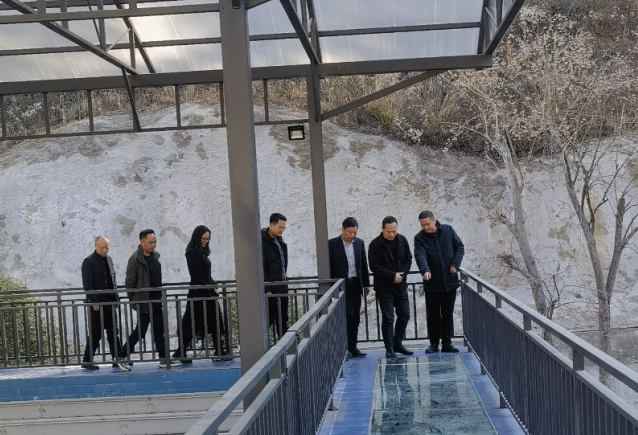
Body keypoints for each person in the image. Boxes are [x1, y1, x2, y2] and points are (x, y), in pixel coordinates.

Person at [119, 229, 180, 368]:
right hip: (145, 301)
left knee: (159, 330)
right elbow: (129, 282)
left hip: (156, 299)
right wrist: (136, 300)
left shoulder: (155, 256)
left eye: (155, 242)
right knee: (140, 331)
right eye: (150, 242)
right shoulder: (135, 259)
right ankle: (121, 356)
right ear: (142, 242)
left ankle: (164, 358)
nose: (153, 245)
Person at [173, 225, 229, 363]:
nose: (205, 241)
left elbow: (206, 275)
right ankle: (181, 352)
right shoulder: (191, 253)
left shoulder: (202, 253)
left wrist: (212, 285)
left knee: (215, 321)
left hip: (207, 292)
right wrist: (210, 288)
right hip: (199, 294)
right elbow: (197, 275)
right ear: (196, 237)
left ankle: (219, 350)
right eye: (203, 238)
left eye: (207, 239)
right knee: (191, 323)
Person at [414, 210, 465, 354]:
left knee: (447, 315)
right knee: (433, 315)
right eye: (422, 225)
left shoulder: (448, 230)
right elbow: (419, 255)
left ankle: (447, 343)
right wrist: (424, 270)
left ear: (434, 220)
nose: (425, 227)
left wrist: (455, 263)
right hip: (432, 282)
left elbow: (459, 247)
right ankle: (434, 344)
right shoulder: (419, 238)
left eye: (427, 224)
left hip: (449, 281)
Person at [81, 236, 129, 371]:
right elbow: (87, 284)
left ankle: (117, 359)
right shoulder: (89, 261)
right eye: (102, 247)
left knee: (113, 331)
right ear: (95, 246)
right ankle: (87, 360)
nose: (104, 250)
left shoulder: (109, 259)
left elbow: (112, 280)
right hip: (97, 304)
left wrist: (116, 298)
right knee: (96, 333)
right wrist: (93, 301)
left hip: (110, 302)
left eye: (107, 247)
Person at [368, 216, 414, 359]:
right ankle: (389, 348)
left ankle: (397, 343)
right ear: (382, 229)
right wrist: (392, 275)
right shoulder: (375, 244)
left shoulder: (402, 240)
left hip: (400, 286)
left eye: (394, 231)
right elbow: (374, 266)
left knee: (405, 315)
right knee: (388, 318)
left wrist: (402, 275)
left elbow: (408, 259)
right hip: (384, 287)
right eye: (388, 231)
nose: (392, 234)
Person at [328, 217, 371, 358]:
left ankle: (352, 346)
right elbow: (329, 267)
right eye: (350, 232)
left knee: (355, 317)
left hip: (355, 284)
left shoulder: (359, 243)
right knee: (346, 315)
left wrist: (366, 284)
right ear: (343, 230)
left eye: (355, 232)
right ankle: (342, 348)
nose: (352, 235)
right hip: (341, 285)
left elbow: (363, 264)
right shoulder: (332, 244)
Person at [261, 213, 289, 340]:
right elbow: (261, 267)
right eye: (280, 227)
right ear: (271, 225)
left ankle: (286, 345)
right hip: (271, 288)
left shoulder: (279, 240)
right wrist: (267, 289)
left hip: (282, 286)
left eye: (284, 227)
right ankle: (259, 346)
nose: (282, 230)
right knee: (268, 319)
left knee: (283, 318)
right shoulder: (262, 242)